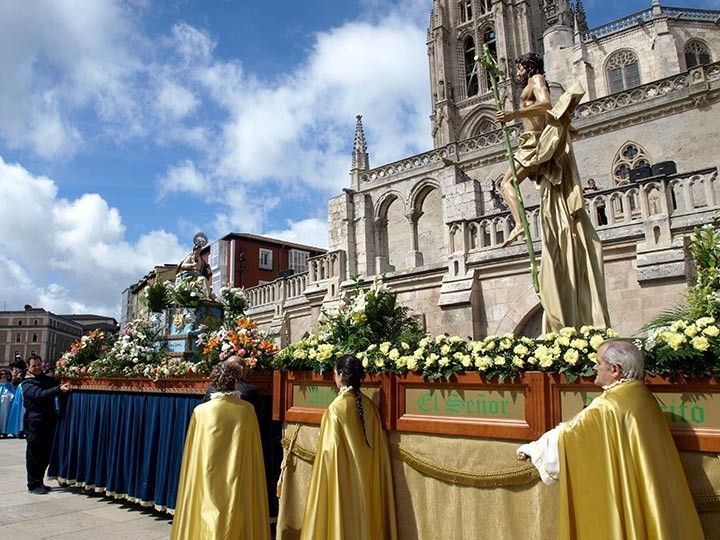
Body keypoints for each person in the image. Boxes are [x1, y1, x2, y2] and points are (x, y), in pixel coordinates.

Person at [517, 340, 704, 539]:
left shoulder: (606, 406)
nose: (595, 367)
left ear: (615, 369)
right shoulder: (643, 395)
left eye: (598, 362)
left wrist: (534, 449)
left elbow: (570, 436)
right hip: (656, 497)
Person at [495, 53, 610, 332]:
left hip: (534, 143)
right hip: (528, 141)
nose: (517, 72)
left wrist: (513, 114)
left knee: (506, 183)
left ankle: (520, 224)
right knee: (506, 184)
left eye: (519, 66)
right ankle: (520, 223)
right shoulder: (529, 83)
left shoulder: (536, 79)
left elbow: (546, 104)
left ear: (528, 66)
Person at [300, 355, 397, 540]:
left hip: (343, 484)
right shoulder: (370, 406)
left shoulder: (335, 409)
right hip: (368, 484)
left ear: (341, 376)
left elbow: (329, 455)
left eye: (335, 373)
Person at [171, 361, 270, 539]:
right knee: (236, 503)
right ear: (236, 382)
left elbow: (194, 453)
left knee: (207, 500)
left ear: (214, 382)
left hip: (208, 470)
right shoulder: (247, 410)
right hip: (238, 470)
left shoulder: (200, 411)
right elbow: (253, 448)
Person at [22, 354, 70, 494]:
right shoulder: (27, 383)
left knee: (45, 454)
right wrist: (58, 389)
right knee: (34, 455)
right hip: (35, 423)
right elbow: (39, 395)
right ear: (28, 367)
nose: (37, 368)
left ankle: (40, 482)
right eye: (34, 365)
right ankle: (33, 484)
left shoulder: (46, 379)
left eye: (39, 364)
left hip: (49, 422)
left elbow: (57, 384)